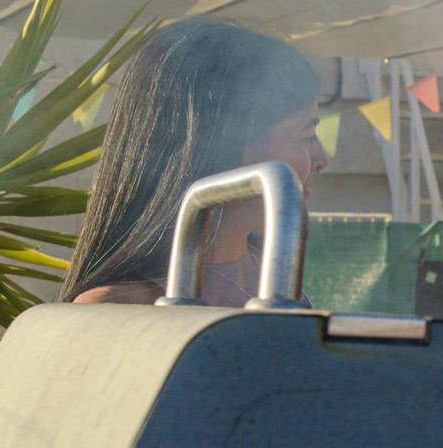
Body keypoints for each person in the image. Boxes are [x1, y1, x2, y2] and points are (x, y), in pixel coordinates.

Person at [62, 19, 326, 306]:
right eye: (307, 137)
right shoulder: (121, 309)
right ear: (230, 142)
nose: (322, 159)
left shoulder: (284, 288)